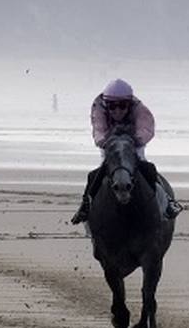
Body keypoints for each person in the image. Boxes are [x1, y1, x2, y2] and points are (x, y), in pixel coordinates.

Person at [70, 79, 182, 225]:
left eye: (122, 106)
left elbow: (146, 128)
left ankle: (167, 202)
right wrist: (106, 142)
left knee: (148, 168)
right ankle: (85, 206)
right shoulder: (98, 107)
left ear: (129, 104)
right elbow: (98, 128)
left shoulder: (139, 108)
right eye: (112, 107)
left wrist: (134, 140)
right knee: (95, 174)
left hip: (133, 144)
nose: (117, 111)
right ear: (106, 105)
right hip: (111, 145)